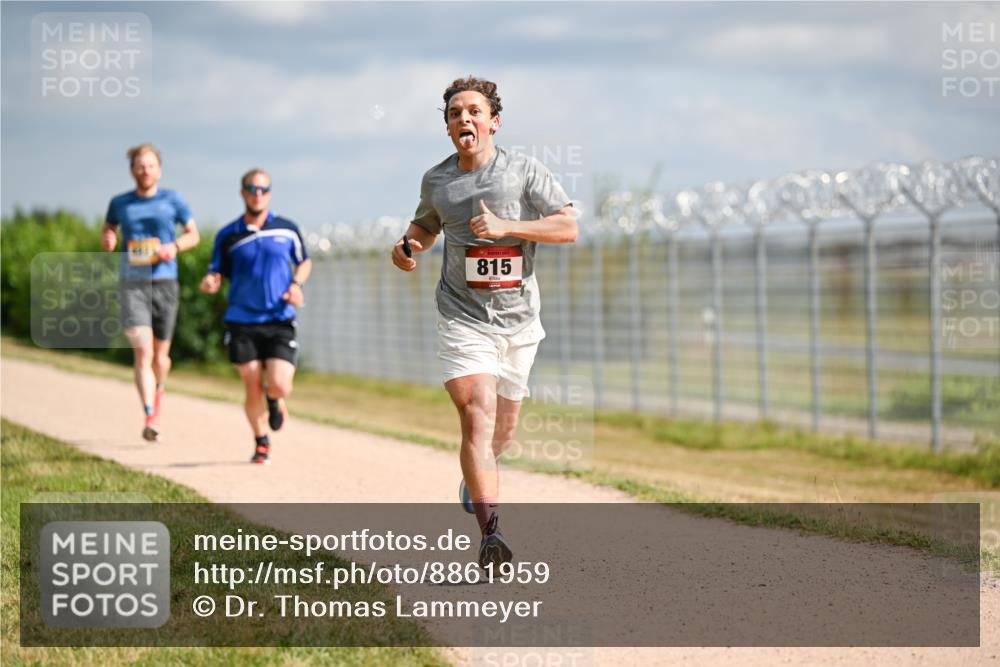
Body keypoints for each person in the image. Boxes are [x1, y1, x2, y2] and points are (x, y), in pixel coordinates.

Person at [391, 76, 577, 568]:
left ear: (494, 121)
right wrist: (407, 247)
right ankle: (491, 533)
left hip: (519, 320)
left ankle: (477, 480)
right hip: (462, 315)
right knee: (477, 411)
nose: (464, 118)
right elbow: (424, 227)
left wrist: (506, 227)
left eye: (474, 110)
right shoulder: (438, 180)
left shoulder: (524, 171)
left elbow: (568, 226)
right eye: (455, 113)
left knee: (503, 432)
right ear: (448, 127)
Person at [200, 168, 311, 464]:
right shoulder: (228, 234)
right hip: (241, 320)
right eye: (251, 188)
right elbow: (215, 270)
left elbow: (304, 262)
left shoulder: (286, 228)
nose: (257, 194)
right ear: (242, 193)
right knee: (251, 381)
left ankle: (274, 399)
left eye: (263, 189)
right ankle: (261, 441)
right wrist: (211, 281)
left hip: (279, 318)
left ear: (270, 193)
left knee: (280, 383)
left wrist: (296, 285)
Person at [103, 143, 200, 442]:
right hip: (132, 282)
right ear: (132, 170)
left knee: (160, 357)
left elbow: (193, 235)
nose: (145, 170)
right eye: (140, 166)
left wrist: (174, 247)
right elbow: (109, 228)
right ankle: (149, 415)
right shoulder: (120, 202)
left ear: (159, 170)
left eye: (150, 165)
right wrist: (109, 239)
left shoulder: (173, 199)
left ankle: (159, 388)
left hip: (165, 282)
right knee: (143, 350)